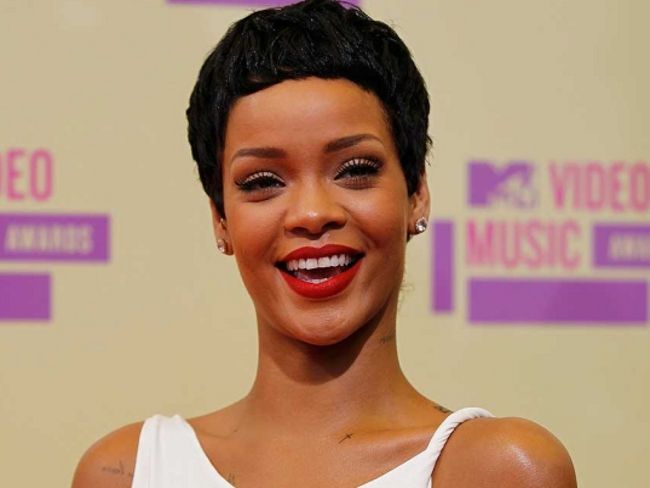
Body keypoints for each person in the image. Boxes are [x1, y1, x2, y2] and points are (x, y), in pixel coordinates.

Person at [72, 1, 576, 486]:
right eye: (263, 181)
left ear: (417, 194)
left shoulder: (499, 470)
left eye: (355, 170)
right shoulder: (131, 472)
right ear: (220, 219)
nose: (312, 214)